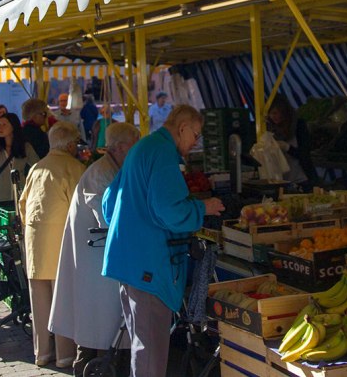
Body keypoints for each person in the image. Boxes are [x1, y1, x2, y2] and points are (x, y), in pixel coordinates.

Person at [102, 105, 224, 376]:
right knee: (151, 352)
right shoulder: (164, 154)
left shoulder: (142, 148)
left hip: (129, 261)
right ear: (182, 128)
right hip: (149, 265)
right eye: (196, 135)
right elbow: (171, 212)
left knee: (142, 345)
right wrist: (203, 208)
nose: (196, 143)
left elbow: (109, 202)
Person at [52, 122, 140, 373]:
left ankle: (98, 362)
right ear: (122, 147)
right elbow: (108, 216)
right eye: (135, 146)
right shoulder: (101, 172)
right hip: (93, 257)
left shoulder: (110, 169)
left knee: (100, 319)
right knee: (97, 319)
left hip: (98, 256)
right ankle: (91, 366)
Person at [17, 121, 85, 368]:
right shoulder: (74, 167)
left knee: (40, 303)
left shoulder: (37, 167)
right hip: (61, 245)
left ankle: (42, 353)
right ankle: (65, 356)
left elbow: (23, 205)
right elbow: (82, 210)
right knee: (63, 301)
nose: (77, 147)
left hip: (36, 244)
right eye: (76, 143)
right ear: (69, 145)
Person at [267, 94, 318, 191]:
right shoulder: (269, 129)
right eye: (270, 114)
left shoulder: (298, 125)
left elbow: (305, 154)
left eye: (275, 113)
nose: (273, 116)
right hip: (280, 182)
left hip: (301, 180)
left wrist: (287, 148)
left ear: (284, 111)